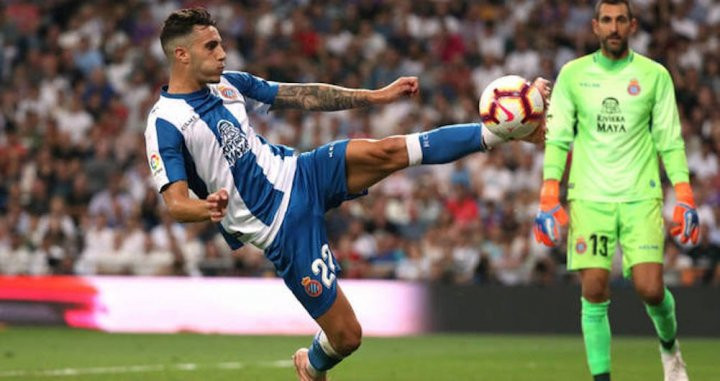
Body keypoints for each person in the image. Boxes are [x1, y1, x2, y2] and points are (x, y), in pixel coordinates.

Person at [146, 8, 548, 381]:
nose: (223, 53)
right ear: (181, 55)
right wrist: (205, 208)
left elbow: (304, 95)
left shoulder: (230, 84)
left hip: (302, 172)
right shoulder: (166, 122)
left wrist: (373, 97)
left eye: (220, 43)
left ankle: (504, 133)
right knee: (348, 335)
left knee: (387, 149)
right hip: (280, 229)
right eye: (211, 46)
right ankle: (313, 364)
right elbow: (175, 203)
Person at [533, 1, 697, 381]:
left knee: (651, 289)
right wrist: (548, 197)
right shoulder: (573, 76)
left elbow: (669, 140)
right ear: (594, 26)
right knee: (593, 290)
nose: (613, 27)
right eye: (606, 20)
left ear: (632, 25)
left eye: (620, 20)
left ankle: (670, 350)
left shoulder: (654, 75)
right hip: (589, 197)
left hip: (641, 195)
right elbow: (557, 139)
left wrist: (685, 196)